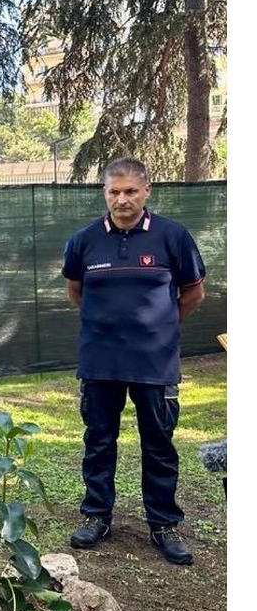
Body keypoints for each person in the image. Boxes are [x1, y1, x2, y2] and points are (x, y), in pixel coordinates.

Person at [62, 157, 206, 565]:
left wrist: (158, 329)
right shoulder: (84, 240)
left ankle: (163, 524)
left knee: (159, 445)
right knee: (99, 442)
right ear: (104, 193)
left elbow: (193, 294)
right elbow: (77, 291)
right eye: (114, 192)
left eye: (130, 191)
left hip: (154, 365)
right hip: (100, 362)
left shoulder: (173, 237)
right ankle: (96, 516)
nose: (122, 199)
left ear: (146, 191)